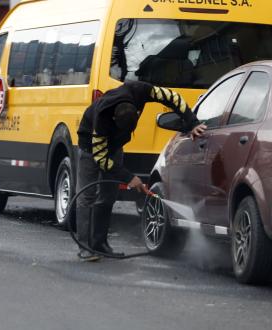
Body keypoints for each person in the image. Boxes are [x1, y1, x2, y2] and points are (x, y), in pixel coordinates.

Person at [75, 81, 207, 261]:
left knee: (108, 196)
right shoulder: (102, 118)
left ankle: (99, 244)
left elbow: (172, 98)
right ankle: (85, 247)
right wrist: (129, 178)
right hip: (91, 149)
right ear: (114, 120)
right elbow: (101, 159)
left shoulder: (140, 91)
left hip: (115, 147)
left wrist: (192, 123)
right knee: (87, 197)